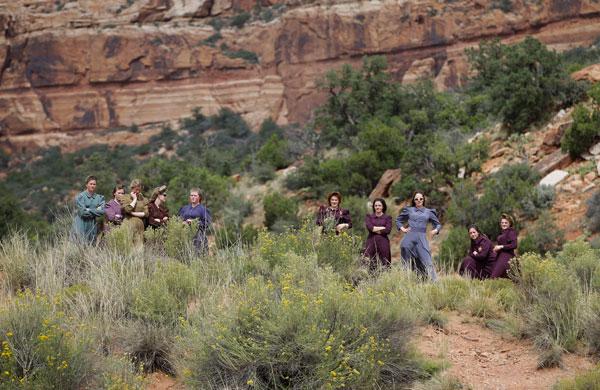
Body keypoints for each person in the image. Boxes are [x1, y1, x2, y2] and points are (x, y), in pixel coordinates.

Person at [396, 191, 441, 281]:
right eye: (416, 199)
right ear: (414, 200)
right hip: (410, 235)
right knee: (405, 251)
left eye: (421, 198)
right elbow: (398, 220)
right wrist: (403, 229)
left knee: (427, 260)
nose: (419, 200)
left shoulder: (429, 212)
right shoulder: (409, 210)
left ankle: (434, 282)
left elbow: (438, 224)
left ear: (423, 199)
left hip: (421, 237)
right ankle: (405, 280)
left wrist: (435, 230)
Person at [72, 175, 105, 244]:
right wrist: (95, 210)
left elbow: (102, 211)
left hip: (92, 225)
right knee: (79, 245)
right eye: (91, 184)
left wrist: (89, 210)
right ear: (86, 185)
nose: (92, 186)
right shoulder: (81, 197)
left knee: (91, 245)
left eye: (94, 184)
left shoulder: (99, 198)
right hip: (81, 224)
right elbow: (83, 213)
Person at [178, 188, 212, 253]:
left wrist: (194, 222)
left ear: (199, 197)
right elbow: (178, 219)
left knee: (196, 256)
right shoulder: (184, 208)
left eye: (195, 195)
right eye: (191, 195)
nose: (193, 197)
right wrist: (183, 223)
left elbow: (206, 223)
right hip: (184, 235)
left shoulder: (203, 209)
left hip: (198, 238)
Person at [363, 198, 392, 271]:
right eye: (376, 205)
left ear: (383, 207)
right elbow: (370, 228)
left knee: (385, 264)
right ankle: (371, 280)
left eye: (379, 205)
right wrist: (382, 228)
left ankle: (384, 280)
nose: (377, 207)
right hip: (371, 242)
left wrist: (374, 229)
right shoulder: (369, 216)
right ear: (373, 207)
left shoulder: (388, 218)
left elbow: (388, 230)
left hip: (383, 243)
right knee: (370, 263)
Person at [119, 179, 149, 245]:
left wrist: (132, 213)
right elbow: (127, 209)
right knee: (127, 246)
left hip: (140, 226)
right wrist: (134, 199)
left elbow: (146, 214)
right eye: (136, 189)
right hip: (128, 224)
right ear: (132, 188)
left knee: (139, 248)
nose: (138, 191)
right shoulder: (125, 197)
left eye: (139, 189)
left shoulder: (144, 199)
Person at [490, 214, 518, 278]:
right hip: (501, 257)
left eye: (506, 223)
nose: (504, 224)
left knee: (494, 277)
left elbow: (514, 245)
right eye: (502, 223)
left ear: (510, 223)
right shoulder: (503, 232)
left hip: (507, 257)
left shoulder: (511, 231)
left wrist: (501, 246)